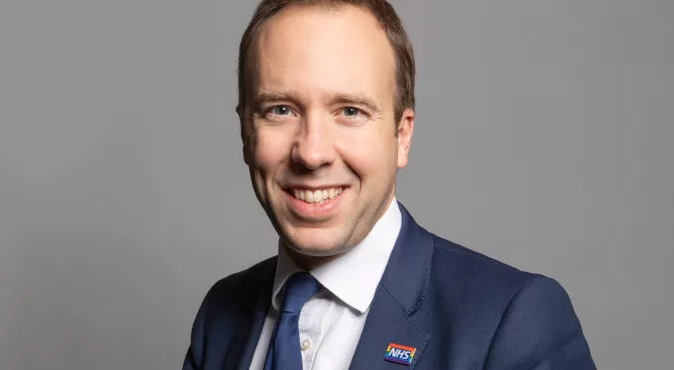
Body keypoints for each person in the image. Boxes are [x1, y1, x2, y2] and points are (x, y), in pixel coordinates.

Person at [182, 0, 596, 369]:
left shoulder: (514, 323)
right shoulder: (220, 317)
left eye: (349, 110)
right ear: (244, 130)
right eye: (281, 109)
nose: (311, 153)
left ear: (402, 135)